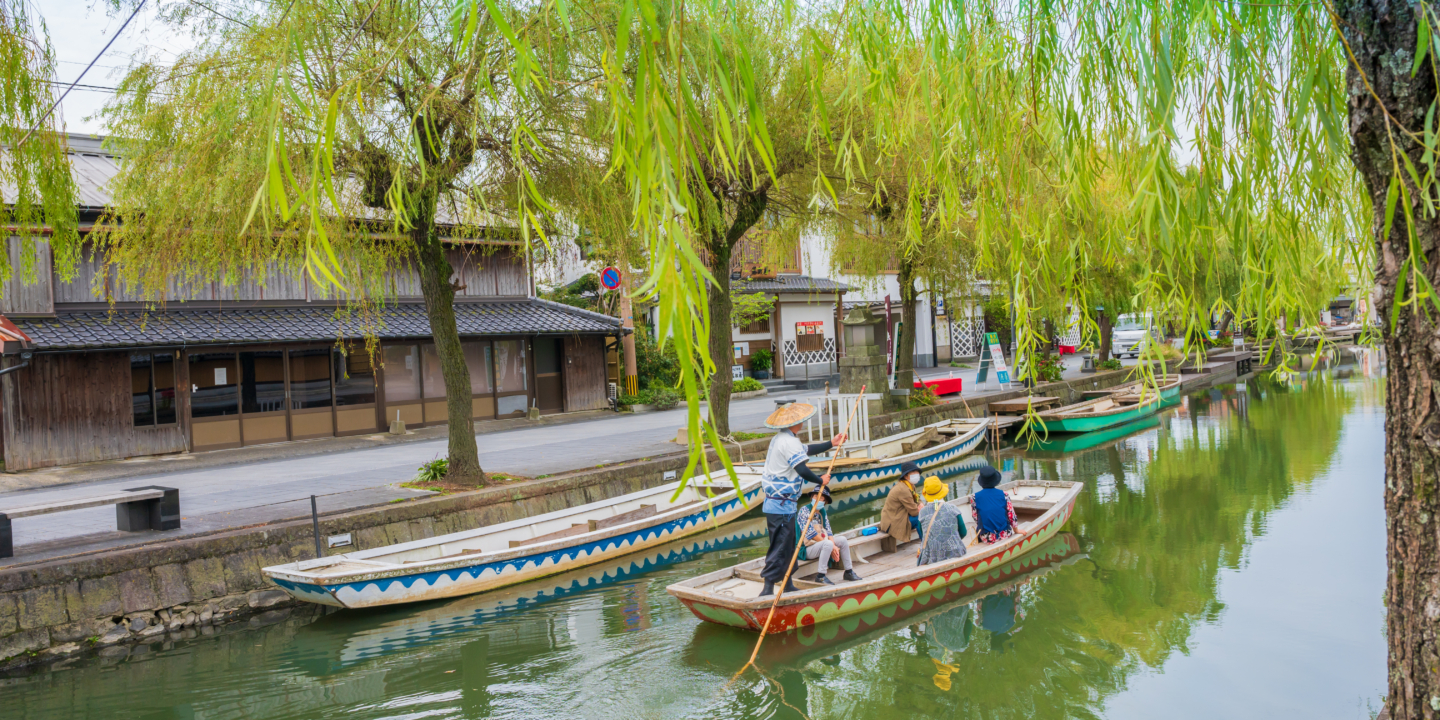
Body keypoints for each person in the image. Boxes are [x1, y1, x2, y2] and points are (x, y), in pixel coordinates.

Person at [758, 401, 847, 597]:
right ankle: (767, 589)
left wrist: (831, 444)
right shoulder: (787, 442)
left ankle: (788, 583)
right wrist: (820, 479)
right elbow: (801, 469)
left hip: (785, 504)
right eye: (801, 421)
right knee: (780, 545)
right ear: (794, 423)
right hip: (779, 505)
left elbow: (806, 450)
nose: (803, 424)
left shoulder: (784, 438)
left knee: (790, 545)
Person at [797, 487, 862, 584]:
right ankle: (821, 576)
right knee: (828, 544)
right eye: (816, 496)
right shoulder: (804, 510)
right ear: (811, 497)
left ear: (825, 501)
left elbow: (829, 531)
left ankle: (848, 571)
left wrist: (834, 546)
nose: (818, 499)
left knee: (842, 540)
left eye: (822, 498)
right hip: (806, 549)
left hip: (820, 544)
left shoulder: (822, 512)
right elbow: (812, 535)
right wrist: (832, 547)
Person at [916, 476, 967, 564]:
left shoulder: (922, 513)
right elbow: (963, 532)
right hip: (955, 553)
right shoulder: (953, 508)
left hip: (932, 558)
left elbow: (922, 535)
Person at [971, 465, 1018, 544]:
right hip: (1004, 534)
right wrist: (1016, 530)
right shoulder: (1004, 494)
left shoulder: (974, 497)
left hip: (986, 537)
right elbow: (1011, 516)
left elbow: (975, 517)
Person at [880, 461, 923, 543]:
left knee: (923, 515)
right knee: (920, 519)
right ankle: (926, 546)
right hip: (892, 523)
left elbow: (918, 500)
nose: (916, 474)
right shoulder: (903, 489)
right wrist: (921, 508)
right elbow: (914, 512)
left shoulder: (910, 485)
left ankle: (926, 543)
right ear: (906, 476)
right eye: (913, 472)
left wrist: (921, 504)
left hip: (901, 516)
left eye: (917, 472)